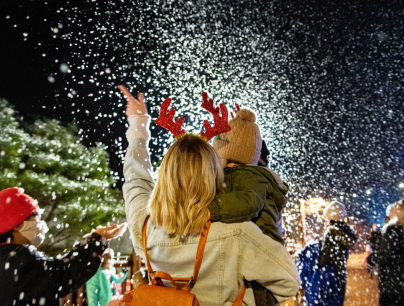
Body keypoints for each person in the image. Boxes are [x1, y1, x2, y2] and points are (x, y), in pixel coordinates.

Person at [118, 86, 300, 305]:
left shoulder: (145, 227)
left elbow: (135, 180)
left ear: (165, 176)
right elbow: (289, 283)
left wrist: (138, 128)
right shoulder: (238, 232)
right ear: (214, 176)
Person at [208, 107, 289, 306]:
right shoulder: (241, 175)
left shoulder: (249, 176)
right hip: (253, 260)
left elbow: (247, 203)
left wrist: (208, 211)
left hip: (261, 263)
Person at [0, 187, 126, 306]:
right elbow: (65, 273)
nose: (41, 222)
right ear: (17, 225)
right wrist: (97, 239)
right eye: (36, 216)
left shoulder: (7, 257)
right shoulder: (19, 260)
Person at [368, 199, 404, 306]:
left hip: (393, 288)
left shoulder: (392, 230)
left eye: (394, 207)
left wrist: (372, 258)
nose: (390, 209)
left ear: (400, 212)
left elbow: (386, 256)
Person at [317, 201, 357, 306]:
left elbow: (325, 255)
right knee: (338, 298)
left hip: (330, 271)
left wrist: (318, 265)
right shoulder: (346, 229)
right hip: (341, 270)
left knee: (328, 300)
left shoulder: (331, 231)